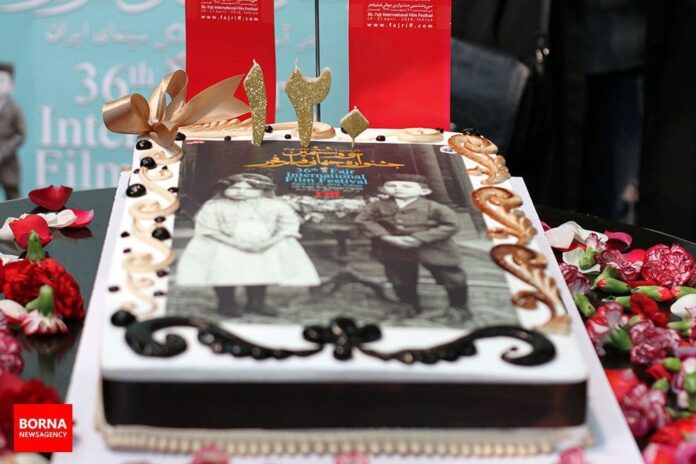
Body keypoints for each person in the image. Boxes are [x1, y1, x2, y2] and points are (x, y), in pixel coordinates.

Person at [176, 173, 320, 316]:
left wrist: (268, 243)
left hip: (264, 244)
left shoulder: (275, 205)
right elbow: (208, 228)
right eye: (235, 188)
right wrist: (236, 244)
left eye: (249, 189)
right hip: (224, 243)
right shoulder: (214, 205)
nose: (241, 192)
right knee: (224, 271)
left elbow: (288, 225)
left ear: (263, 190)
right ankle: (226, 303)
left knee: (259, 270)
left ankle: (256, 303)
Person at [354, 174, 469, 320]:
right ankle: (408, 305)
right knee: (399, 277)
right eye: (392, 186)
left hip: (433, 247)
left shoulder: (435, 207)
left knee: (450, 276)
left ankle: (458, 308)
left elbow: (452, 225)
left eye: (406, 186)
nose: (398, 189)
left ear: (424, 191)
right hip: (394, 247)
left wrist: (419, 238)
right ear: (382, 189)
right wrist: (385, 236)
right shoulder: (376, 206)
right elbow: (363, 220)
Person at [0, 63, 24, 200]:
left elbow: (20, 134)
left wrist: (4, 149)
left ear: (12, 86)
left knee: (12, 196)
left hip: (8, 163)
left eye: (2, 81)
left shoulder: (15, 109)